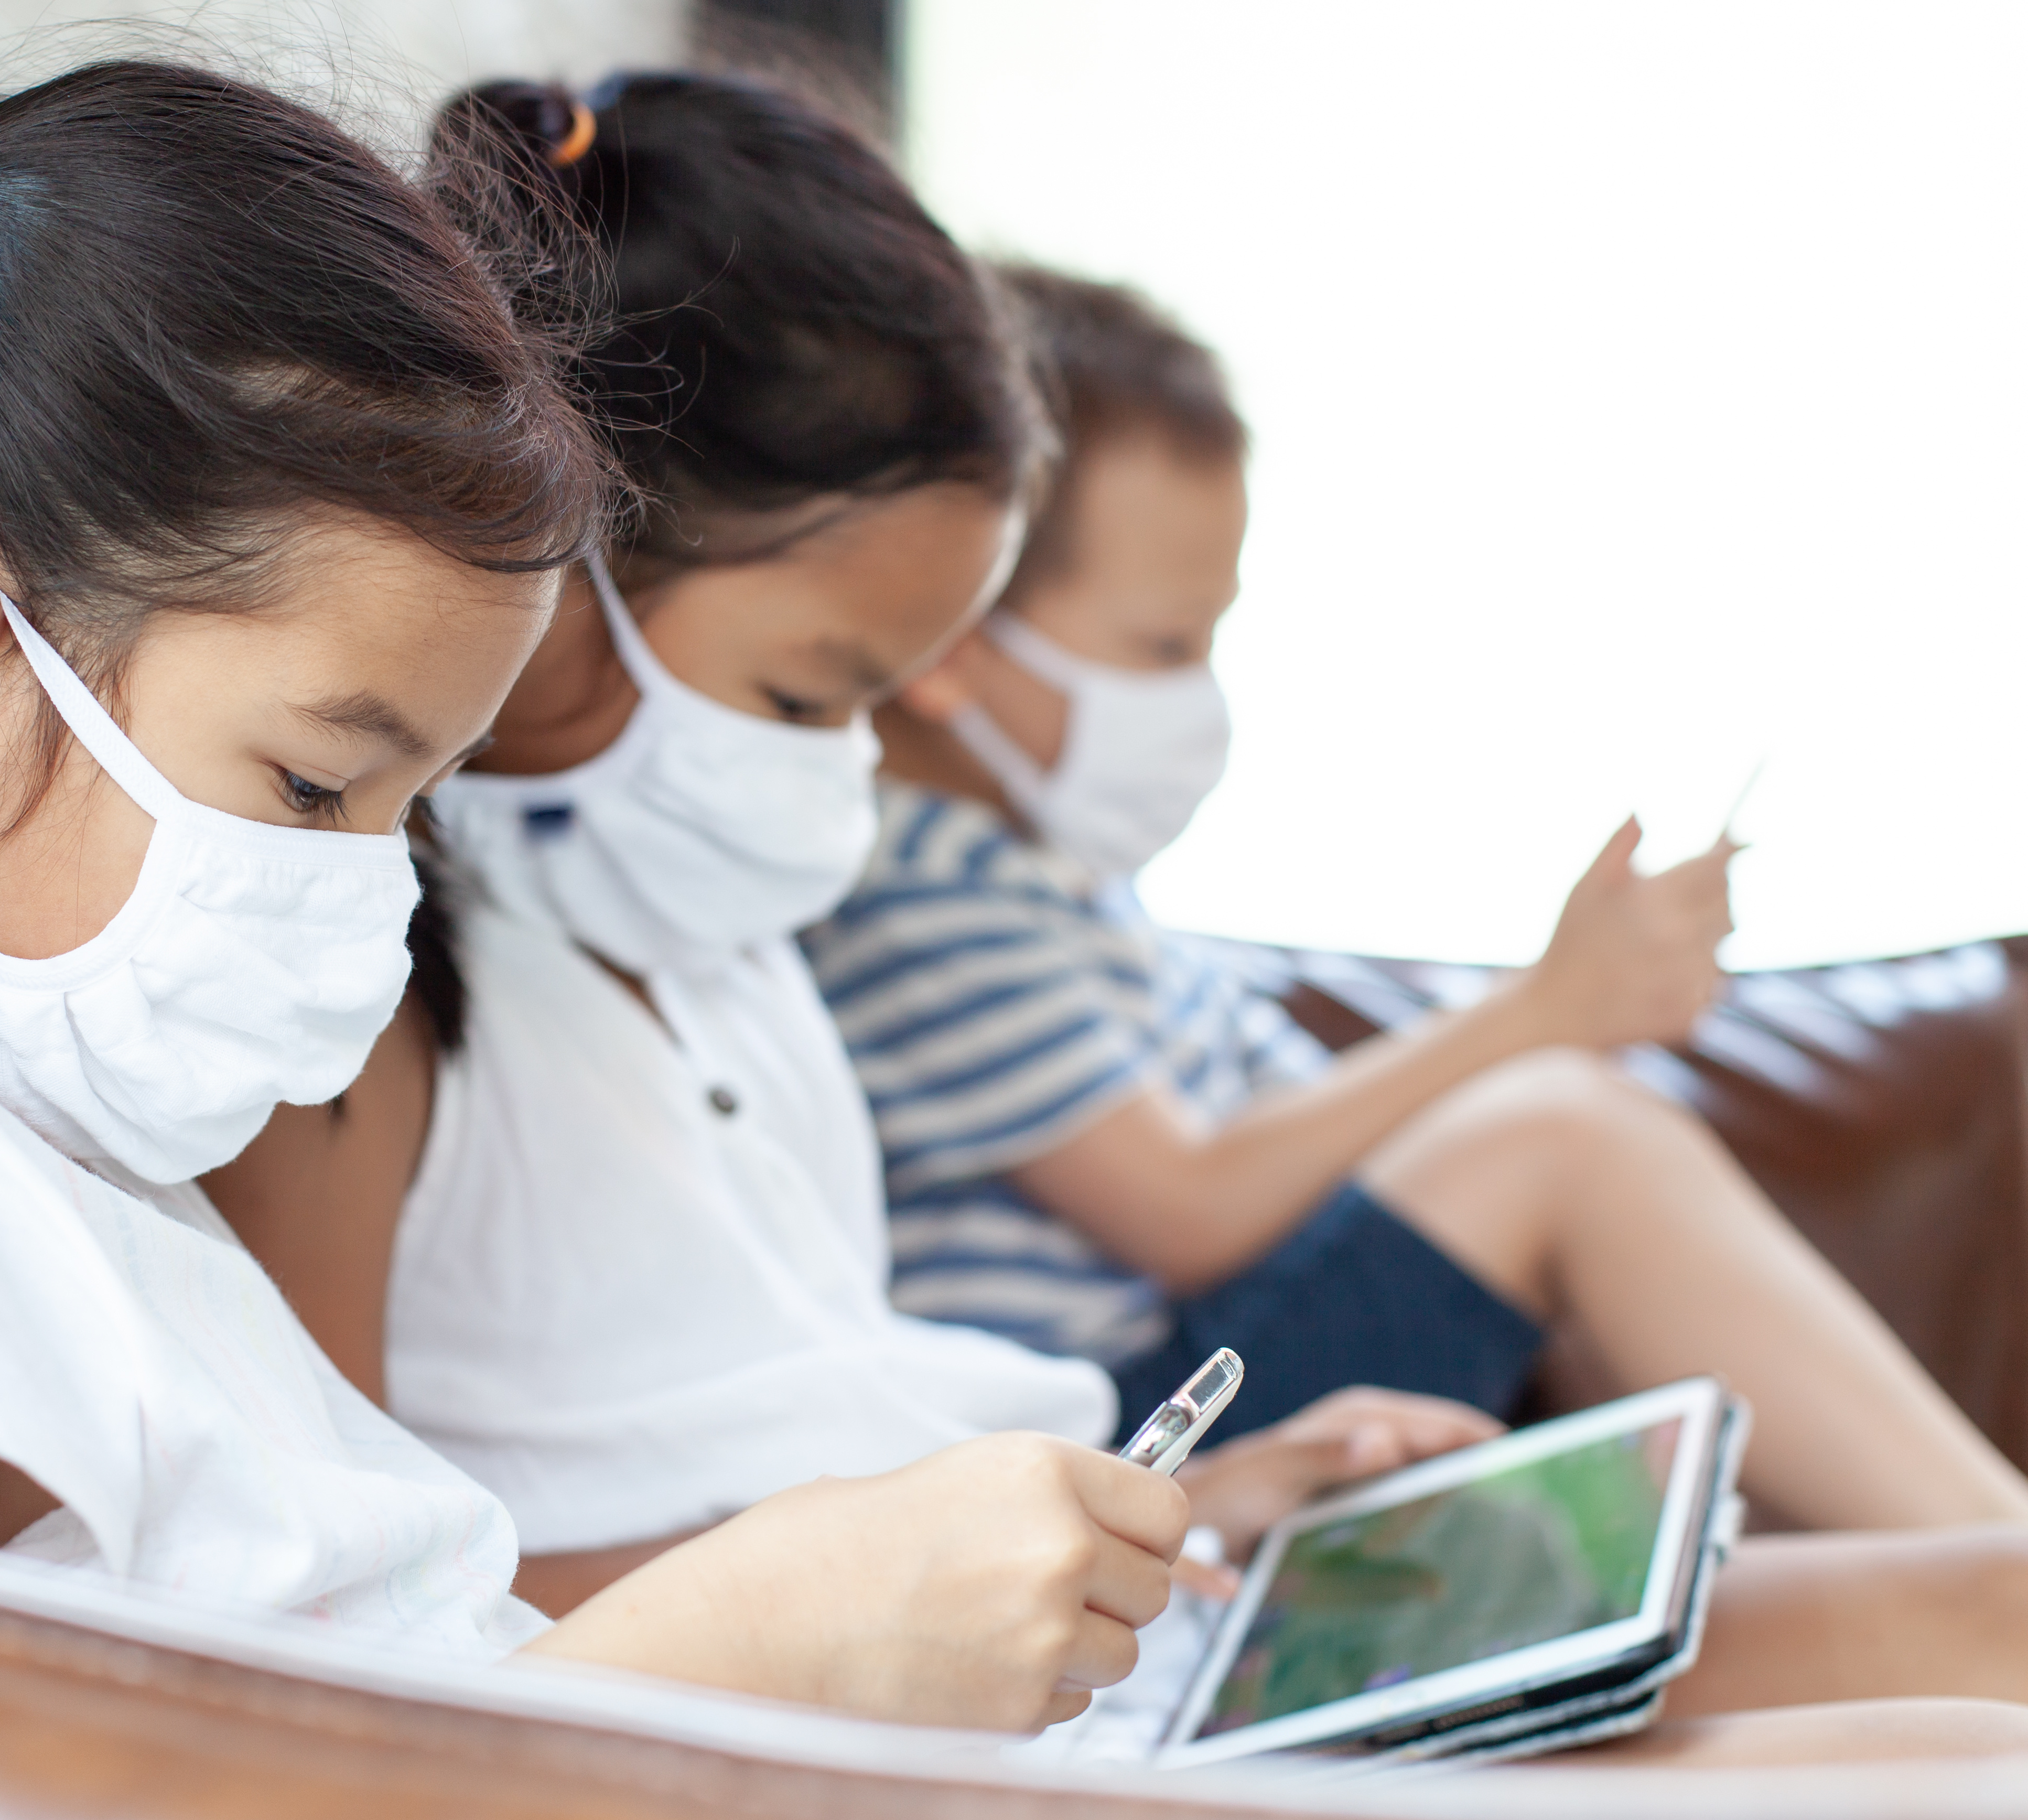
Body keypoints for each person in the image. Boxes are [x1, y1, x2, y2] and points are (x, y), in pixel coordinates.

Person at [208, 79, 2028, 1768]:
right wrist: (888, 1584)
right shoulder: (357, 1013)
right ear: (559, 554)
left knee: (1989, 1625)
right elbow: (377, 1608)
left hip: (1122, 1637)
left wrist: (1196, 1499)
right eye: (804, 697)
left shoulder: (719, 964)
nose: (849, 771)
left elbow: (826, 1415)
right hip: (985, 1711)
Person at [0, 62, 1207, 1736]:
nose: (368, 908)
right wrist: (748, 1643)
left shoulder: (67, 1169)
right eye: (310, 785)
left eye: (406, 806)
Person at [799, 266, 2028, 1535]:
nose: (1196, 695)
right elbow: (1186, 1204)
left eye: (1212, 640)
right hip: (1121, 1437)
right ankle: (1990, 1552)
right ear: (950, 638)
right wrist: (1536, 1014)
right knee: (1560, 1133)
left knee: (1563, 1169)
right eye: (1162, 647)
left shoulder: (1059, 883)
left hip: (1191, 1378)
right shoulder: (914, 889)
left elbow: (1310, 1158)